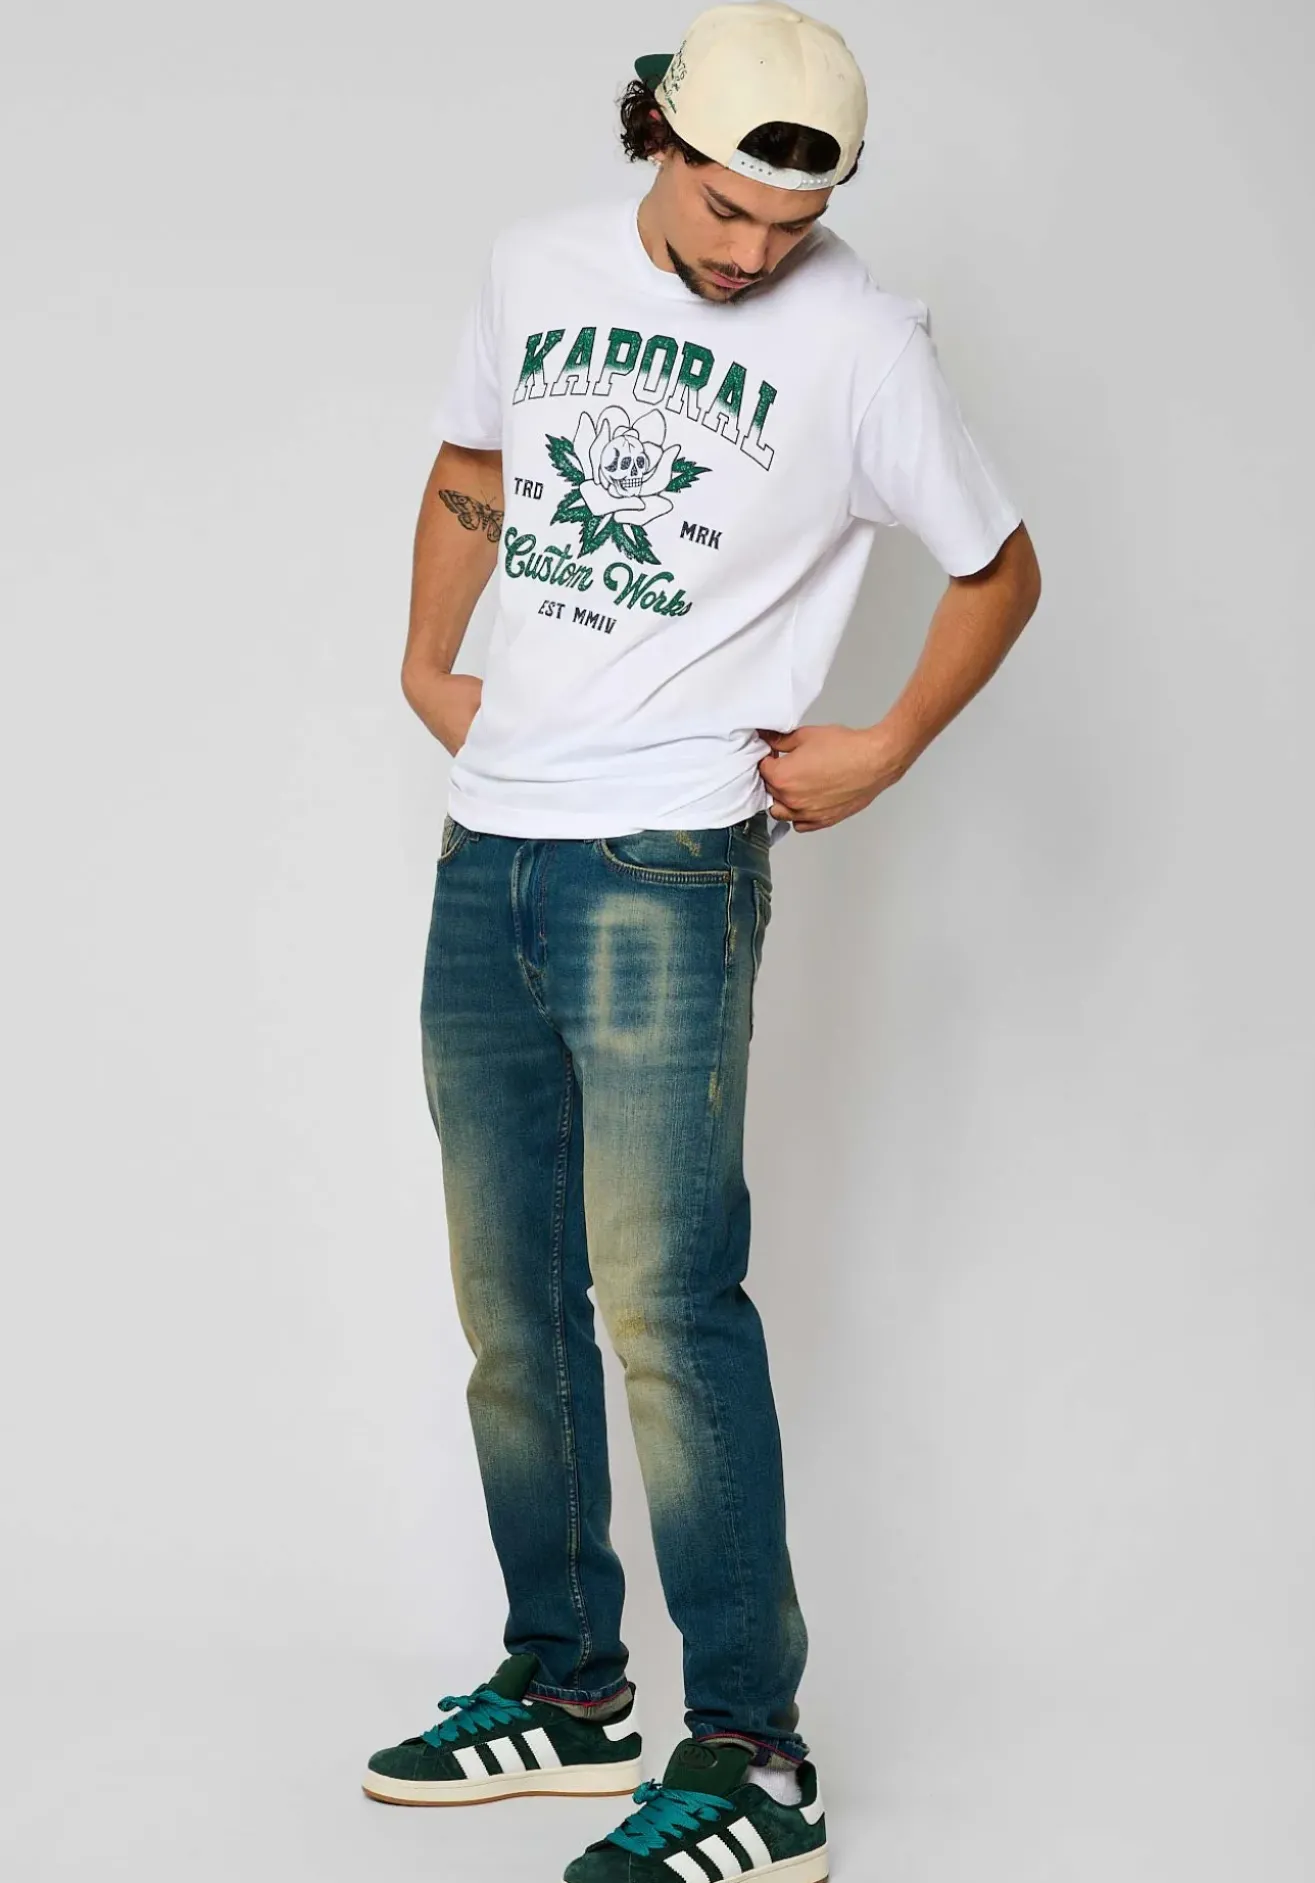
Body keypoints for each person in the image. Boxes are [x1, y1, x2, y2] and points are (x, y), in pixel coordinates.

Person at [362, 5, 1041, 1878]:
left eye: (789, 227)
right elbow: (473, 456)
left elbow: (997, 564)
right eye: (726, 211)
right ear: (657, 135)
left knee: (666, 1305)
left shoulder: (864, 343)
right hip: (490, 844)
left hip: (666, 857)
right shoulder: (535, 265)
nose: (752, 255)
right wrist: (427, 662)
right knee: (510, 1303)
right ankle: (570, 1687)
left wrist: (887, 742)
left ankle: (754, 1758)